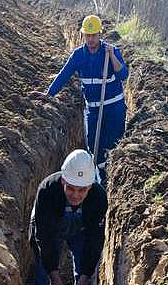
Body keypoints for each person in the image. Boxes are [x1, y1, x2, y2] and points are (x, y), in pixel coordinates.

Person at [31, 15, 128, 184]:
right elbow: (63, 75)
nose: (90, 39)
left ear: (100, 34)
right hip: (93, 109)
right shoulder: (78, 55)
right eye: (87, 35)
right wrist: (49, 94)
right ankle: (101, 177)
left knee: (112, 144)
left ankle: (111, 180)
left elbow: (123, 75)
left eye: (93, 35)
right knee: (93, 147)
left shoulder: (110, 52)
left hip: (114, 107)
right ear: (83, 35)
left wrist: (112, 57)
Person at [29, 149, 107, 285]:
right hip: (51, 228)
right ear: (63, 181)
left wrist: (84, 277)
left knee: (85, 274)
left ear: (89, 186)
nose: (76, 195)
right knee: (44, 272)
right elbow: (44, 237)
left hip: (82, 230)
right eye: (71, 188)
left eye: (82, 190)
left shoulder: (98, 198)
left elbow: (94, 240)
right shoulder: (47, 191)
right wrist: (54, 276)